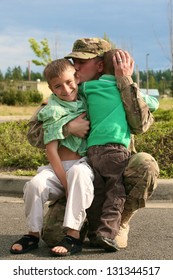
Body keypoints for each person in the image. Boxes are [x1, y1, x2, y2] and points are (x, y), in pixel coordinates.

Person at [64, 38, 160, 249]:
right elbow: (37, 128)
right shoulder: (70, 89)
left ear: (99, 65)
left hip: (107, 155)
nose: (75, 66)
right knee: (54, 236)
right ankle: (98, 226)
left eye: (82, 62)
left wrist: (125, 81)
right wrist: (67, 128)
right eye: (73, 61)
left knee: (144, 165)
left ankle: (118, 222)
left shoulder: (118, 88)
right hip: (78, 168)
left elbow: (141, 125)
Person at [10, 58, 94, 257]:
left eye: (69, 82)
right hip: (57, 167)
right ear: (51, 88)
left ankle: (73, 236)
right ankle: (31, 235)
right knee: (35, 185)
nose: (65, 89)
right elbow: (51, 151)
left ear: (77, 77)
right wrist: (65, 183)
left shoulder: (87, 102)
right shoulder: (51, 110)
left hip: (81, 164)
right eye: (58, 86)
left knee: (79, 173)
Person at [78, 48, 132, 251]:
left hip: (93, 150)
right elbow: (150, 103)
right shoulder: (123, 89)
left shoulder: (88, 87)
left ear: (102, 67)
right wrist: (128, 81)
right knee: (115, 192)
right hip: (115, 150)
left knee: (97, 192)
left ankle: (93, 233)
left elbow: (76, 89)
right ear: (126, 68)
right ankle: (107, 233)